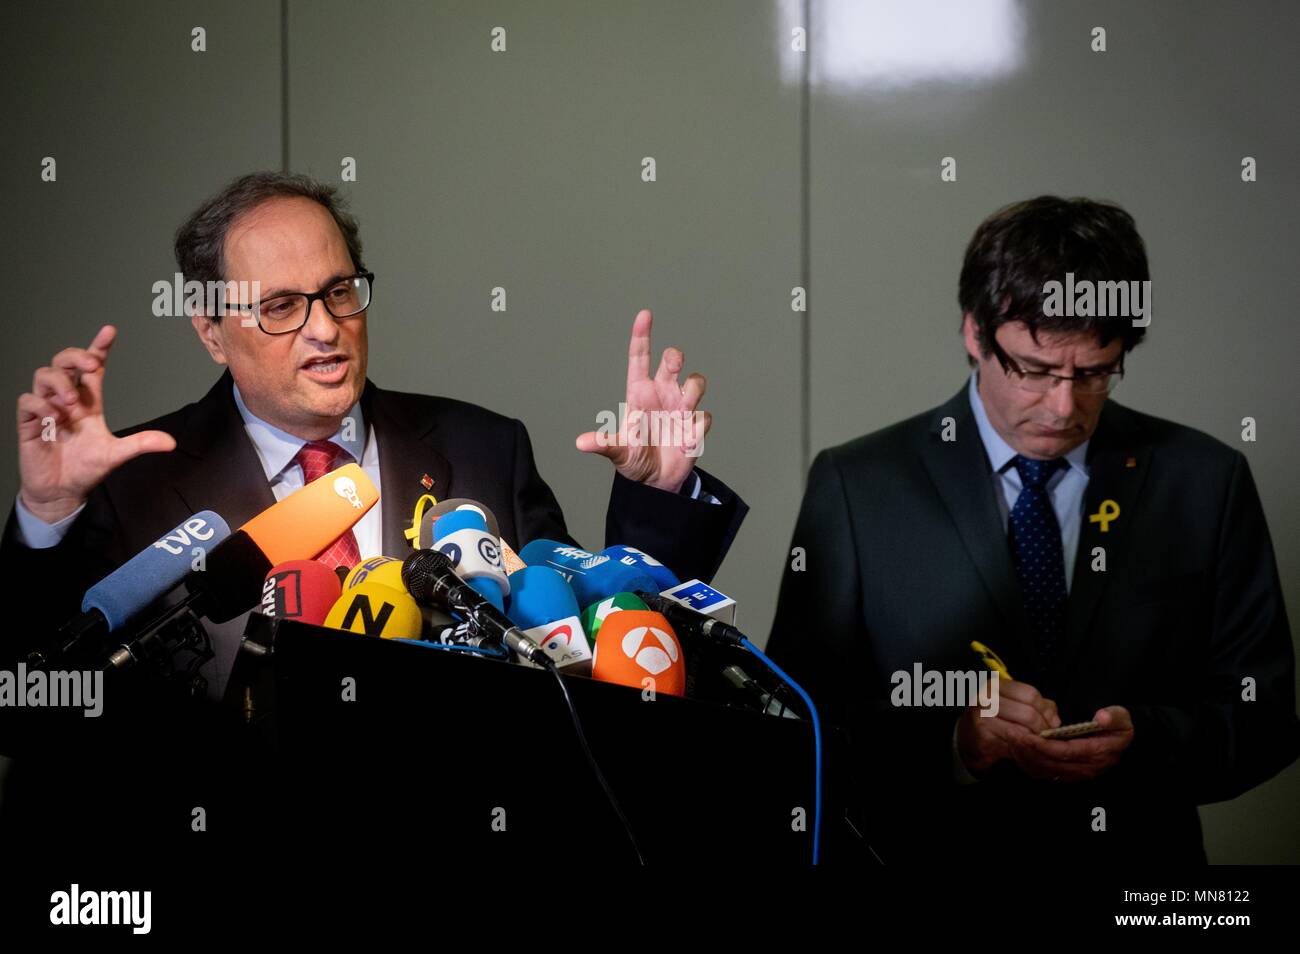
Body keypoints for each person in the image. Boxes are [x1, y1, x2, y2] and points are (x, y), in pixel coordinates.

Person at [0, 171, 747, 697]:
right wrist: (48, 515)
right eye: (281, 306)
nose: (325, 328)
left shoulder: (485, 450)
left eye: (338, 291)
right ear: (211, 331)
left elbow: (602, 650)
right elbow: (34, 698)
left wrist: (657, 497)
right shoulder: (135, 489)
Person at [766, 196, 1298, 863]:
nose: (1064, 406)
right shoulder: (859, 485)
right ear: (974, 334)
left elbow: (1267, 718)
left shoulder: (1206, 481)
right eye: (1035, 371)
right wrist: (957, 743)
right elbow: (793, 725)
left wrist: (1150, 739)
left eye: (1095, 373)